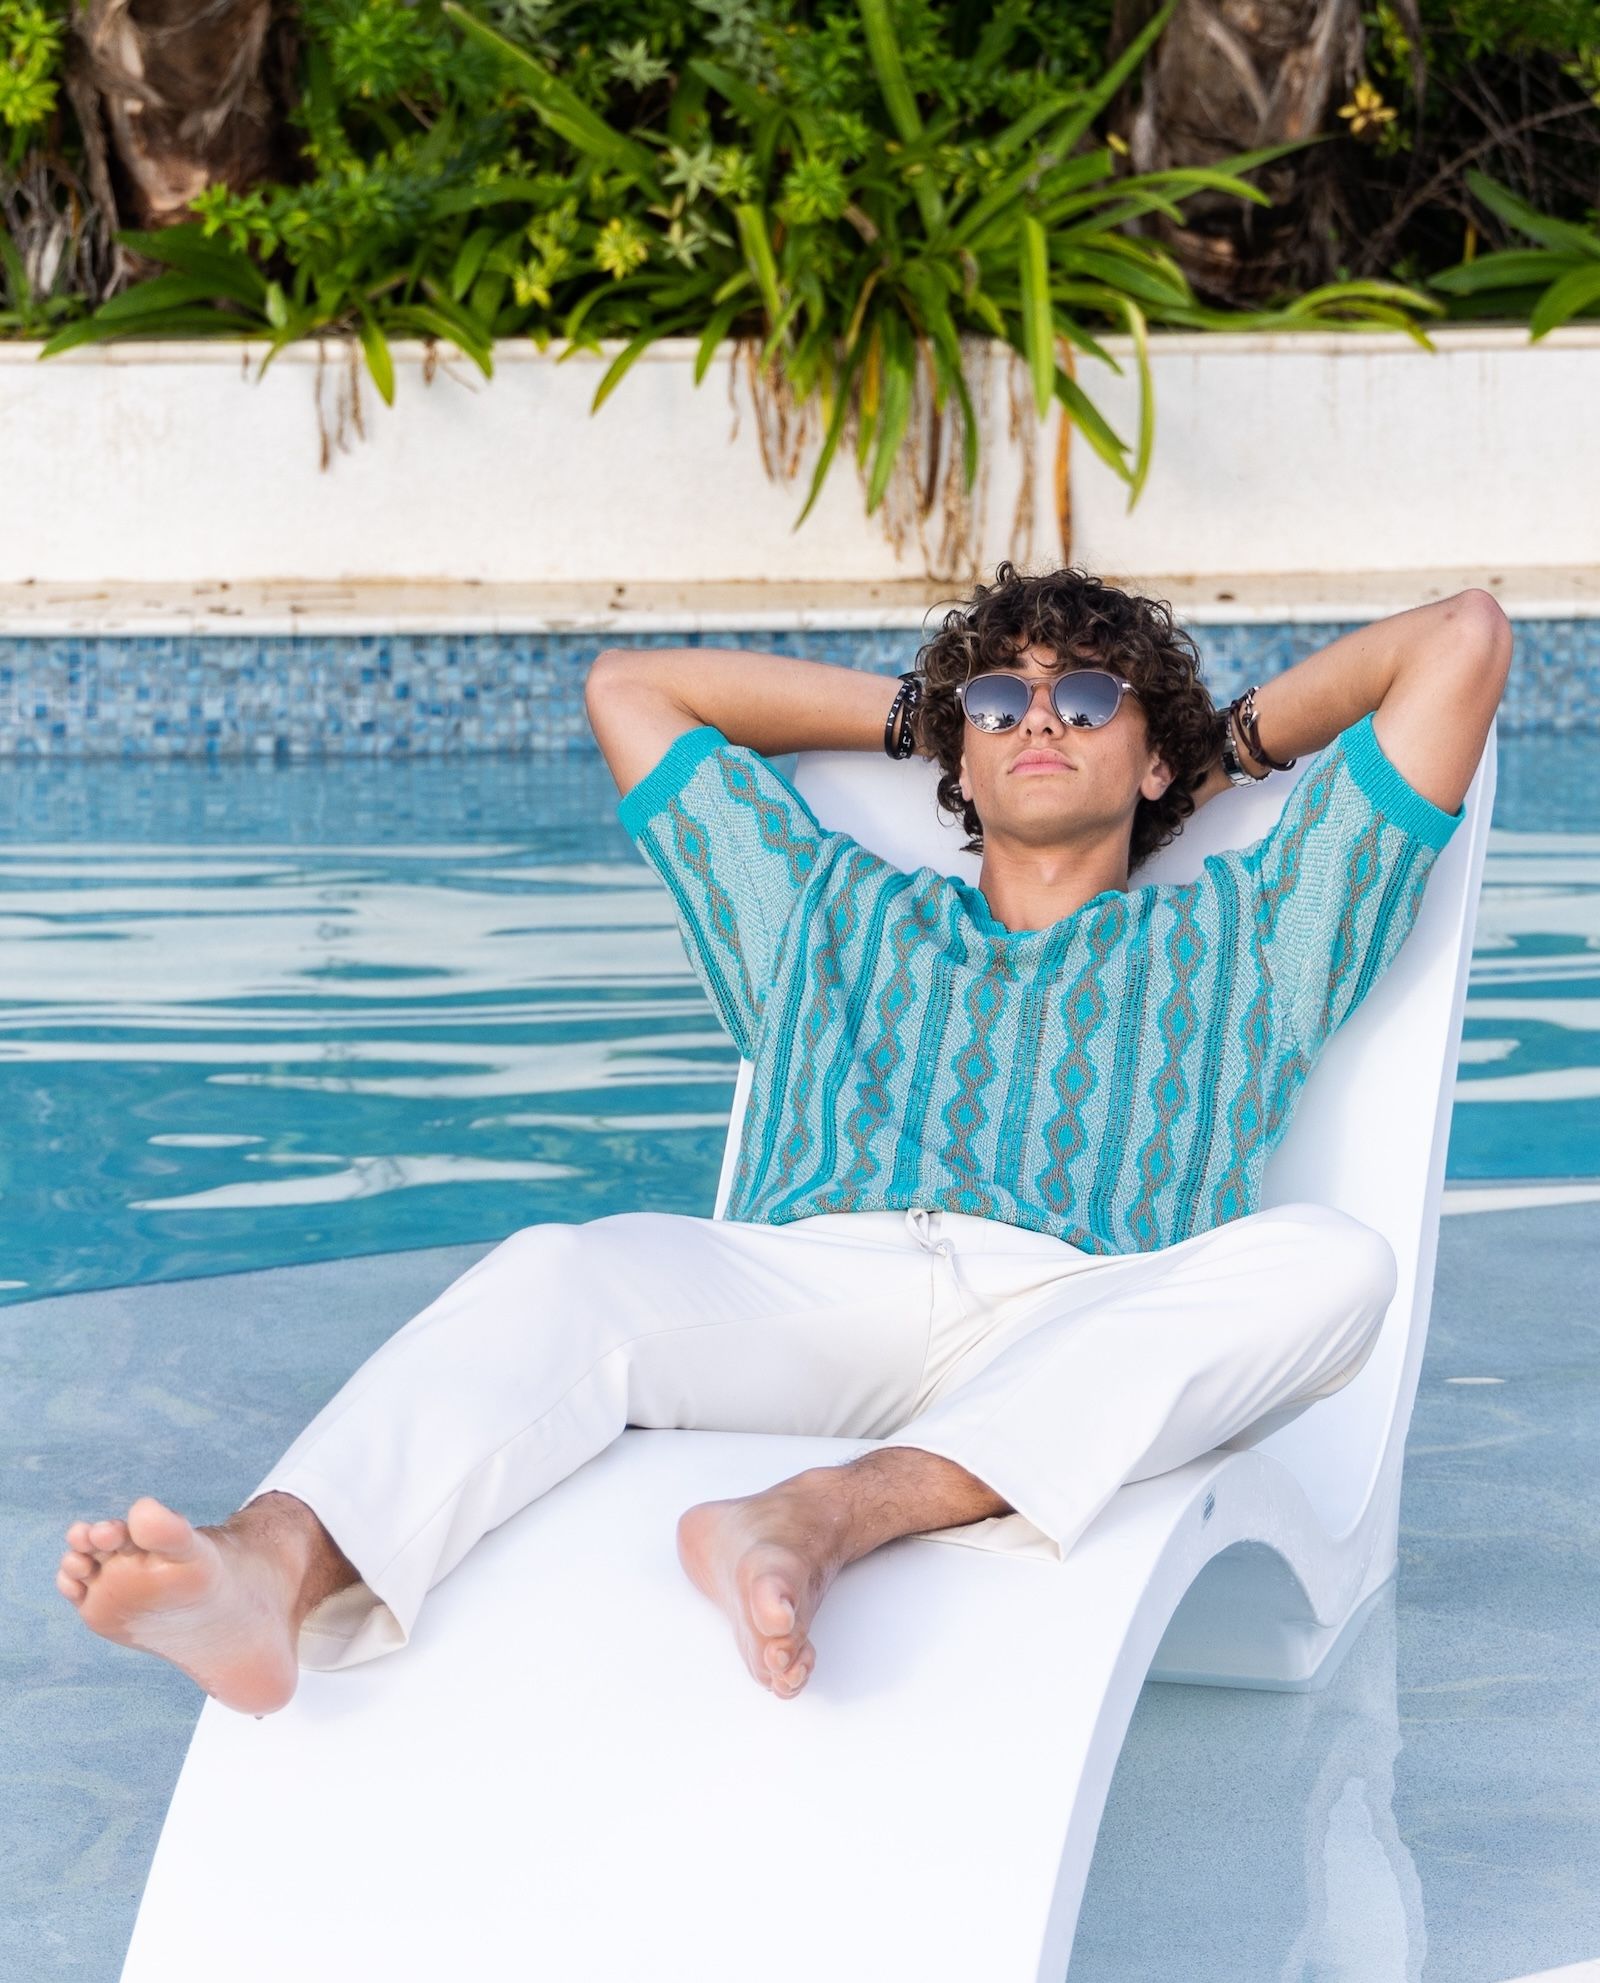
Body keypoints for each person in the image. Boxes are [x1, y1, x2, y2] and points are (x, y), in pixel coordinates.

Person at [55, 563, 1511, 1712]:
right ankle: (269, 1566)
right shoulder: (822, 915)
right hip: (812, 1284)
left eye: (1086, 696)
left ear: (1150, 758)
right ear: (961, 757)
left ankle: (822, 1514)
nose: (1041, 719)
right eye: (1000, 705)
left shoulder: (1252, 938)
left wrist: (1220, 749)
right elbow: (635, 687)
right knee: (567, 1264)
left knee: (1332, 1264)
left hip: (1082, 1308)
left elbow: (1460, 637)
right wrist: (919, 713)